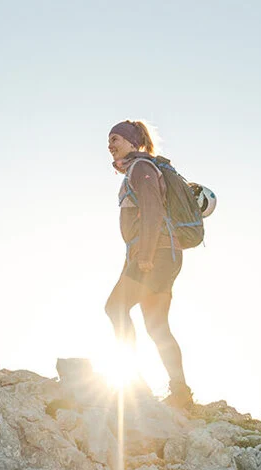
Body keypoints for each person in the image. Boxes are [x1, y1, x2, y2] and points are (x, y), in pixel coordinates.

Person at [103, 120, 194, 410]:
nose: (110, 144)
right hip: (163, 254)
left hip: (155, 253)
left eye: (115, 138)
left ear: (132, 142)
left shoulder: (141, 168)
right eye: (108, 140)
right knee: (157, 327)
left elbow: (153, 209)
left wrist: (144, 255)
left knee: (115, 308)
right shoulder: (140, 168)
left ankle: (133, 383)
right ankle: (180, 393)